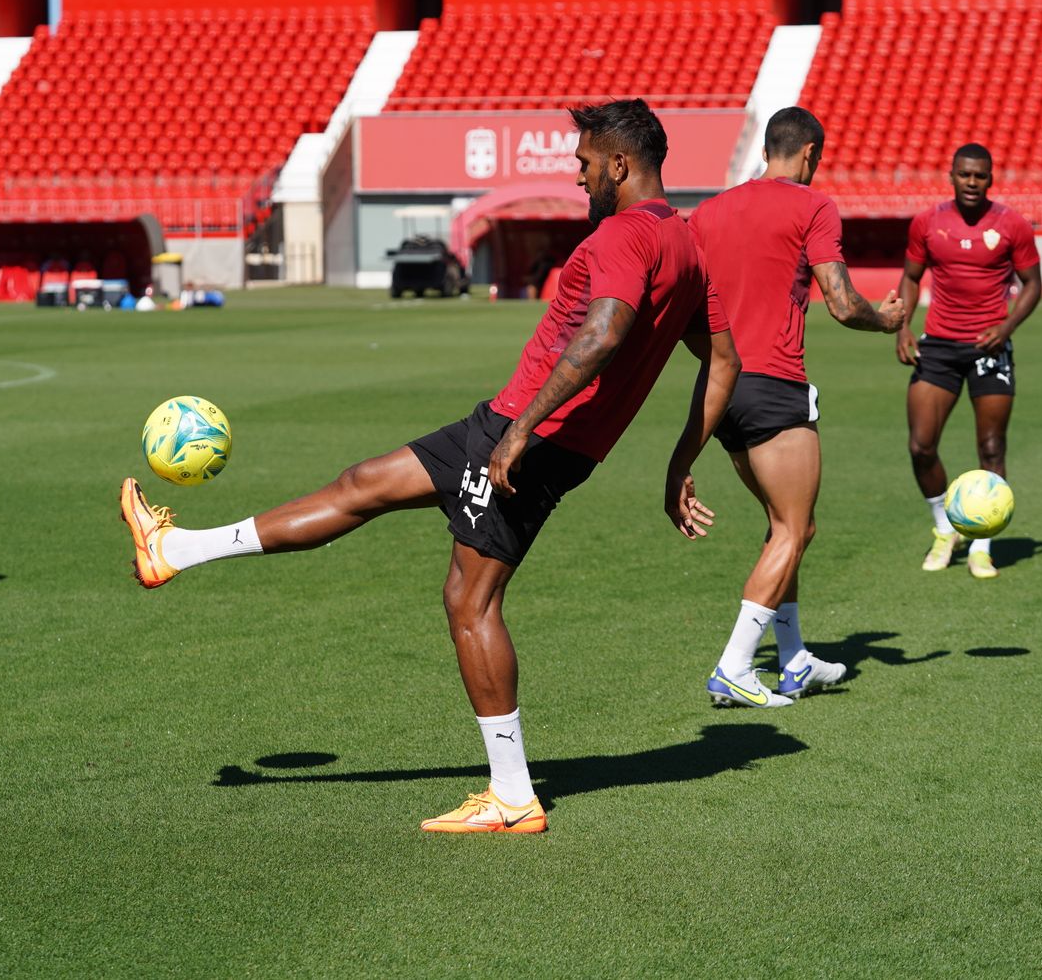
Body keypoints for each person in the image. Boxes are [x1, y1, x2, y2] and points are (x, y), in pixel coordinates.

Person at [120, 99, 739, 834]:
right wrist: (679, 464)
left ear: (619, 165)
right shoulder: (688, 242)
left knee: (468, 603)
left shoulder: (623, 236)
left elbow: (603, 335)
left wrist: (522, 433)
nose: (578, 179)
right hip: (509, 423)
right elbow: (723, 360)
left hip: (530, 439)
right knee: (364, 484)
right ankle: (175, 551)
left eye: (582, 165)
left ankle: (512, 795)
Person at [686, 106, 906, 708]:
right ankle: (734, 664)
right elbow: (839, 301)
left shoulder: (708, 211)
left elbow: (683, 303)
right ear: (810, 153)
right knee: (794, 528)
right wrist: (887, 319)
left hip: (721, 388)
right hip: (774, 384)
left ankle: (793, 659)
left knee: (786, 525)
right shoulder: (813, 205)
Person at [896, 144, 1042, 579]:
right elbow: (909, 277)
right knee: (921, 446)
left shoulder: (1012, 224)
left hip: (989, 347)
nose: (972, 183)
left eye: (980, 176)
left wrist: (1007, 328)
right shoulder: (928, 222)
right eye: (965, 175)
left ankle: (982, 545)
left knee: (992, 448)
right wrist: (903, 327)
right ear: (953, 176)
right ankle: (945, 529)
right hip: (938, 343)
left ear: (990, 178)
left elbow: (1033, 284)